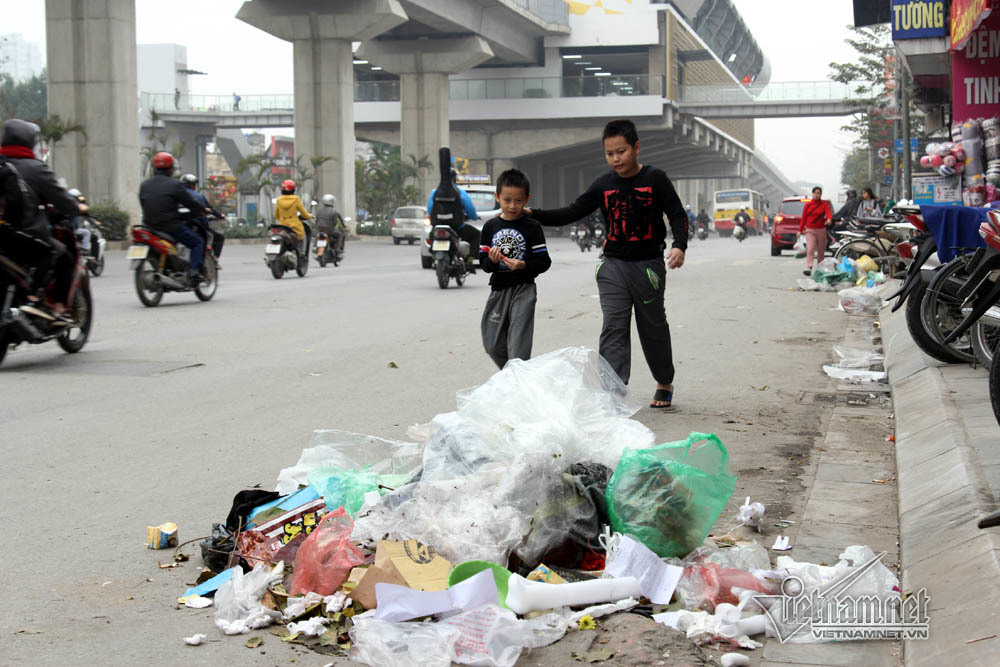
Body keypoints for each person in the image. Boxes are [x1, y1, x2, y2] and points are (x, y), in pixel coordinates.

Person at [526, 119, 688, 409]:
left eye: (621, 151)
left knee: (652, 327)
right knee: (613, 326)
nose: (616, 159)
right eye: (610, 153)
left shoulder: (655, 179)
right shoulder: (603, 185)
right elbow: (572, 211)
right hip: (612, 265)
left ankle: (664, 381)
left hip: (648, 266)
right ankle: (613, 392)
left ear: (636, 148)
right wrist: (532, 213)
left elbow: (677, 214)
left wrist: (679, 246)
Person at [0, 119, 82, 321]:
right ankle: (55, 305)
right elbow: (62, 199)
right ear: (29, 142)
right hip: (23, 233)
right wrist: (76, 208)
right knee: (63, 256)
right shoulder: (36, 168)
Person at [479, 169, 551, 369]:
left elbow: (544, 261)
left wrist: (524, 265)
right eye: (507, 200)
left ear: (527, 198)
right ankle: (514, 376)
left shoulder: (532, 227)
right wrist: (491, 261)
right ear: (497, 197)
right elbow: (483, 264)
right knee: (492, 344)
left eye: (518, 201)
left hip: (524, 289)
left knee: (518, 348)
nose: (512, 206)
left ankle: (517, 380)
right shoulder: (490, 227)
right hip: (498, 290)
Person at [138, 152, 212, 285]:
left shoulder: (144, 185)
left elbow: (144, 203)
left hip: (148, 226)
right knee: (198, 242)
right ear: (170, 169)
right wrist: (202, 210)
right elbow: (190, 202)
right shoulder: (175, 185)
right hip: (170, 226)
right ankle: (194, 272)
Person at [427, 168, 480, 271]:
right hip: (457, 227)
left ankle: (434, 256)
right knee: (476, 235)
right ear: (455, 178)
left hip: (438, 226)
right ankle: (469, 261)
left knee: (431, 236)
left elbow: (430, 209)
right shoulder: (460, 192)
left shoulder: (434, 192)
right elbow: (470, 209)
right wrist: (474, 217)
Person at [179, 173, 226, 259]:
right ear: (193, 185)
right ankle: (214, 259)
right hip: (197, 227)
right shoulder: (199, 196)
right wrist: (220, 215)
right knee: (218, 238)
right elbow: (210, 209)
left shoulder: (176, 196)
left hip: (178, 227)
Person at [798, 186, 833, 276]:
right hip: (810, 230)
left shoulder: (824, 204)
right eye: (815, 193)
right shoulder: (808, 205)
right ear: (812, 194)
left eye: (819, 193)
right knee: (810, 248)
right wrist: (800, 230)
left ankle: (820, 269)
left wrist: (829, 219)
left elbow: (829, 214)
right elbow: (804, 219)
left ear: (821, 194)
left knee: (821, 251)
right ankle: (809, 267)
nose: (817, 195)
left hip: (821, 230)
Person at [273, 178, 312, 254]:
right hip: (294, 226)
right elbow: (303, 213)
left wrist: (282, 218)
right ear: (293, 190)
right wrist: (310, 216)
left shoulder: (279, 200)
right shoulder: (296, 199)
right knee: (302, 236)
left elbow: (276, 215)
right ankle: (301, 252)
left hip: (282, 226)